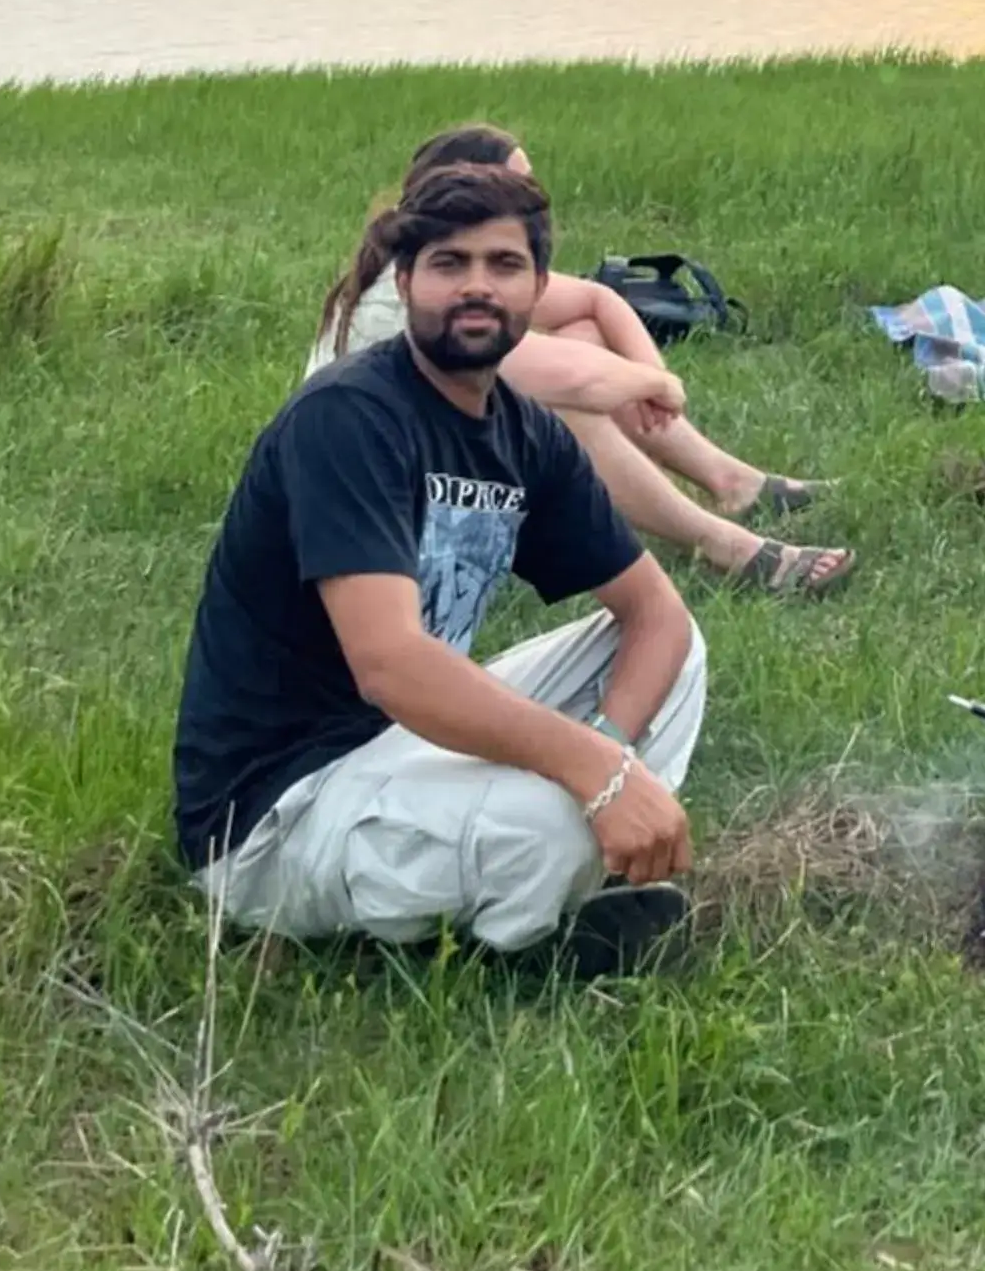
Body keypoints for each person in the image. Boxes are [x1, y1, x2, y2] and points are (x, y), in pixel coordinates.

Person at [176, 159, 703, 970]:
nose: (476, 288)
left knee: (678, 655)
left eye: (503, 265)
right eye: (449, 265)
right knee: (551, 825)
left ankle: (555, 867)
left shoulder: (524, 432)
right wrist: (590, 777)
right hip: (280, 811)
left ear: (536, 288)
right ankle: (522, 937)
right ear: (406, 279)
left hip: (403, 747)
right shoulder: (349, 419)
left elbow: (653, 612)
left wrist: (609, 752)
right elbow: (389, 664)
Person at [314, 126, 853, 599]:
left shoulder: (444, 261)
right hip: (383, 517)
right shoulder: (419, 294)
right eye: (521, 186)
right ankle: (724, 545)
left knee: (583, 334)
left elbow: (600, 301)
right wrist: (651, 385)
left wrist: (654, 382)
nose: (537, 202)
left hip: (431, 464)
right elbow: (577, 380)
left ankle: (734, 483)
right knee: (562, 406)